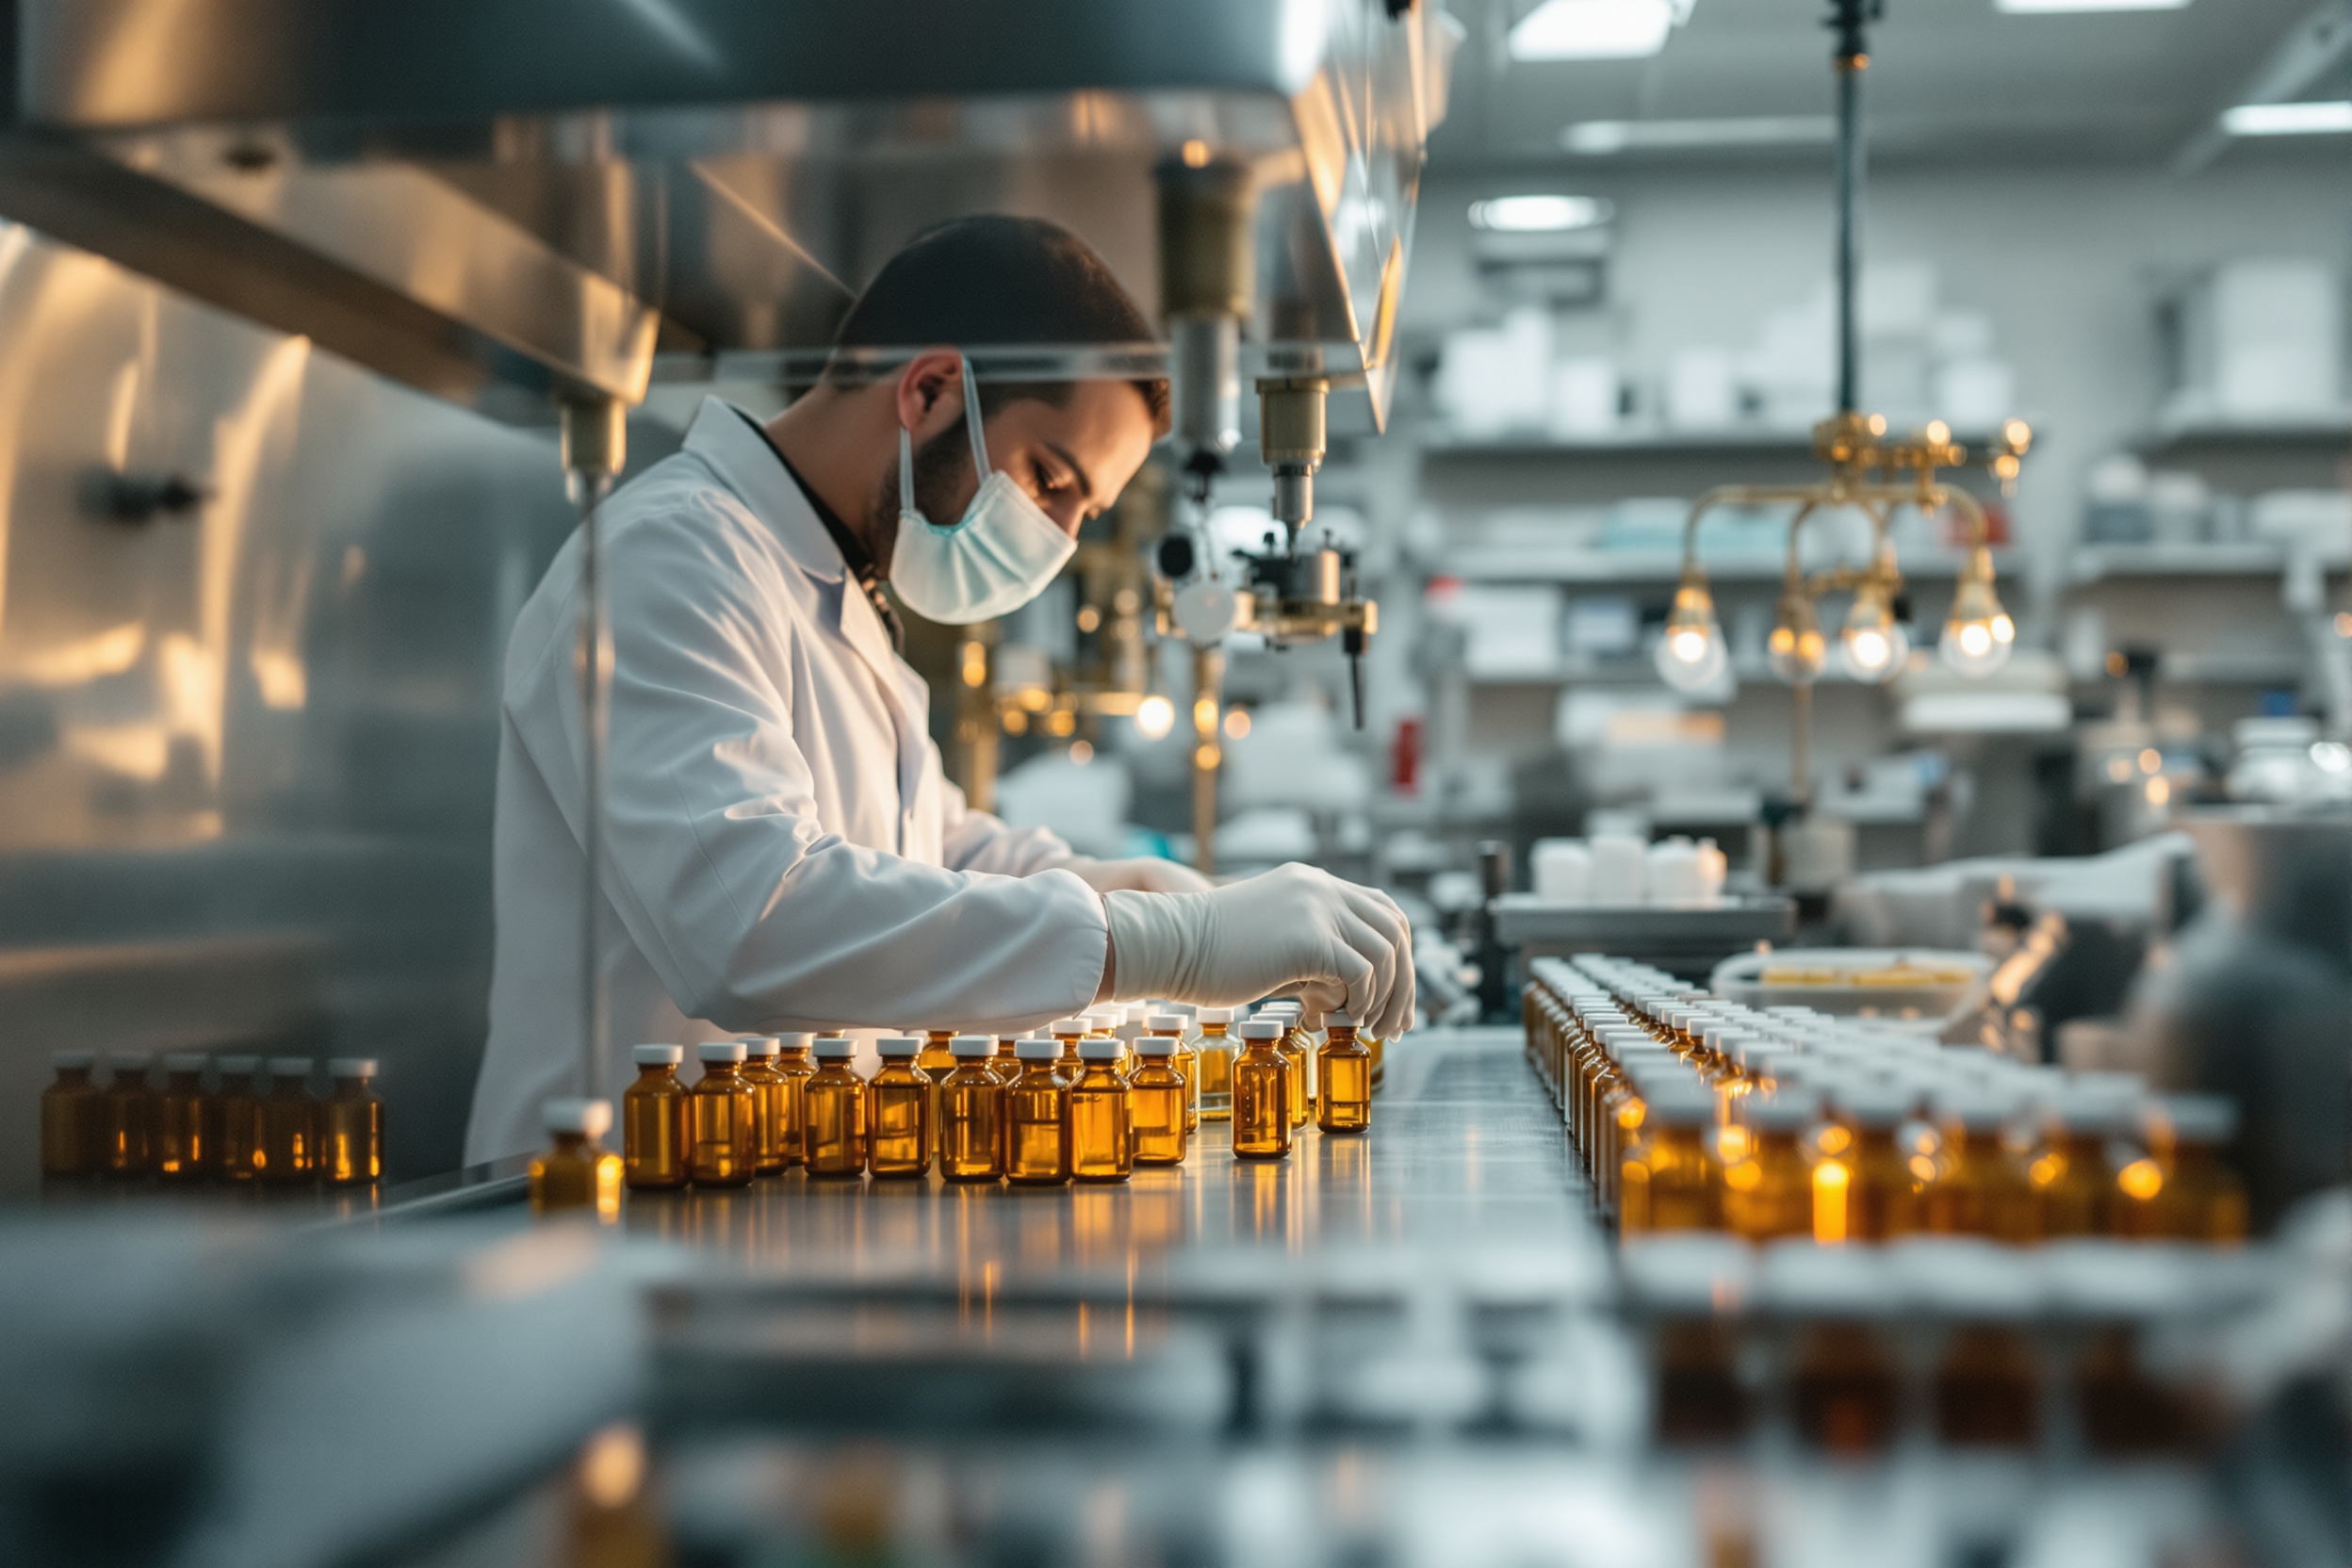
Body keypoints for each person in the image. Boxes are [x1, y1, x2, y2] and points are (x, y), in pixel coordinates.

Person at [466, 216, 1413, 1163]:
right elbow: (753, 920)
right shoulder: (666, 557)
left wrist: (1137, 886)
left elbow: (934, 850)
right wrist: (1169, 942)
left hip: (758, 1215)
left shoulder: (849, 597)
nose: (1062, 539)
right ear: (925, 391)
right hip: (595, 1219)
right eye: (1050, 478)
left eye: (1087, 512)